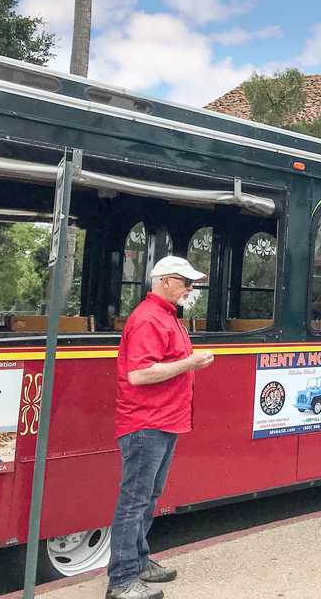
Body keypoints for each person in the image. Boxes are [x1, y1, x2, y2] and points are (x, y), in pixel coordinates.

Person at [107, 256, 214, 599]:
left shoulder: (164, 316)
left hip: (162, 421)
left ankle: (138, 562)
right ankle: (121, 580)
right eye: (186, 282)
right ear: (166, 281)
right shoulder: (149, 320)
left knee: (147, 498)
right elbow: (139, 375)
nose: (190, 288)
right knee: (135, 501)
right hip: (146, 422)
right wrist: (190, 363)